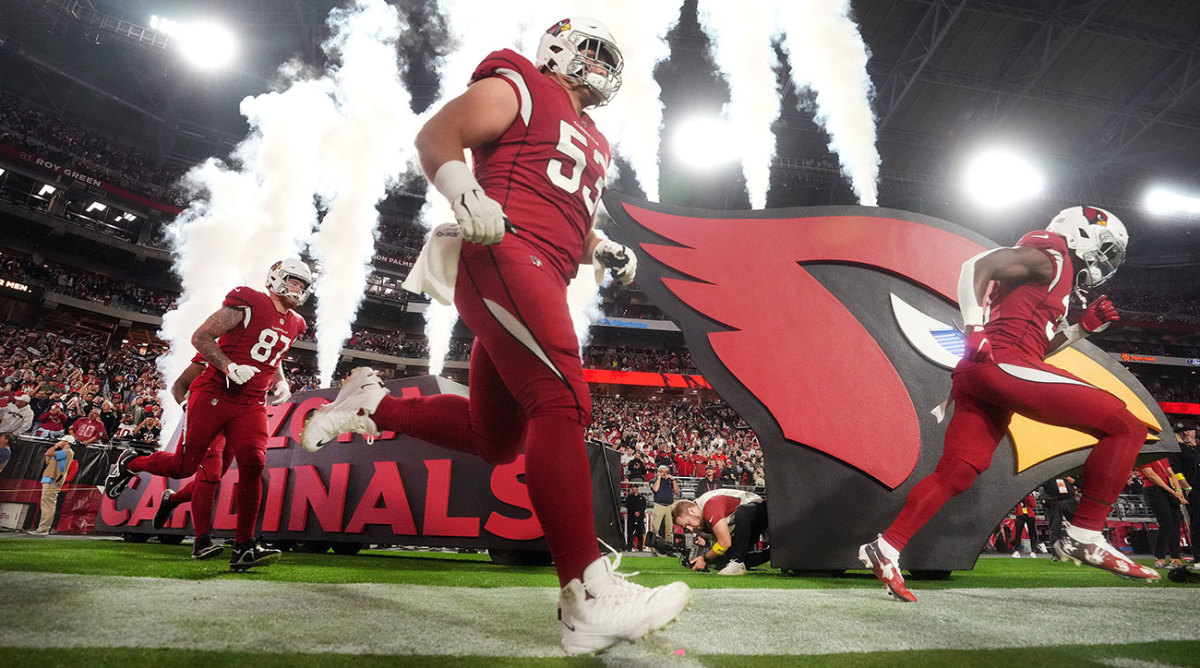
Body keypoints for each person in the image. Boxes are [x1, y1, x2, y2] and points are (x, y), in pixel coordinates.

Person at [298, 17, 690, 654]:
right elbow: (438, 135)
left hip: (541, 269)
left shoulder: (593, 137)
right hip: (507, 255)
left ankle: (371, 403)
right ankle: (586, 593)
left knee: (495, 437)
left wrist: (602, 246)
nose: (601, 64)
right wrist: (465, 192)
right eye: (591, 49)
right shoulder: (524, 83)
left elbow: (563, 207)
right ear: (558, 47)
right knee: (562, 403)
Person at [859, 206, 1159, 602]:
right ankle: (1084, 534)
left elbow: (1034, 350)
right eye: (1104, 250)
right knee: (1126, 426)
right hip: (998, 365)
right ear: (1082, 234)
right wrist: (973, 326)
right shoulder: (1051, 255)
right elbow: (975, 265)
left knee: (957, 474)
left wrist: (1081, 329)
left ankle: (887, 547)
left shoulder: (1053, 273)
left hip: (988, 372)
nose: (1104, 262)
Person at [105, 259, 311, 569]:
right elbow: (201, 336)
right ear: (276, 278)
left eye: (302, 285)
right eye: (293, 282)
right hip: (215, 394)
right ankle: (130, 463)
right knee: (184, 467)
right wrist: (228, 366)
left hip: (251, 402)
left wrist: (280, 381)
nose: (298, 289)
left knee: (254, 464)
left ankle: (244, 546)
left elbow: (276, 354)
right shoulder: (250, 302)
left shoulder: (296, 322)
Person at [671, 488, 769, 575]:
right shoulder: (699, 520)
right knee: (723, 563)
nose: (691, 529)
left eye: (688, 523)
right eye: (686, 527)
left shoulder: (710, 506)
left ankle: (737, 562)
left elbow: (724, 543)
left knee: (742, 512)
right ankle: (771, 554)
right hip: (742, 527)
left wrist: (704, 558)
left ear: (692, 511)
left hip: (759, 510)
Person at [1137, 457, 1187, 569]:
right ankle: (1160, 558)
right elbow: (1152, 476)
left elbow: (1171, 473)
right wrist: (1172, 491)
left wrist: (1178, 490)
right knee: (1166, 524)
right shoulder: (1142, 457)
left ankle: (1175, 558)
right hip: (1153, 490)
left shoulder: (1162, 457)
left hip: (1168, 490)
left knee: (1175, 523)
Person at [31, 435, 75, 534]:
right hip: (49, 479)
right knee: (46, 504)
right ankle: (43, 527)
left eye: (62, 441)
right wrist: (51, 452)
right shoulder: (61, 453)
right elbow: (48, 460)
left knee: (48, 505)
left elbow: (49, 452)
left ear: (66, 442)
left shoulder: (67, 452)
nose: (60, 442)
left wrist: (55, 446)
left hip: (53, 480)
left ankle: (44, 528)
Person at [1173, 423, 1199, 559]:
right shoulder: (1178, 450)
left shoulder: (1195, 449)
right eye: (1182, 431)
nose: (1186, 433)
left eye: (1188, 429)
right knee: (1194, 523)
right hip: (1191, 490)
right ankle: (1198, 555)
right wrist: (1187, 488)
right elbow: (1176, 472)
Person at [1039, 475, 1078, 557]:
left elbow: (1080, 483)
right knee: (1055, 528)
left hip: (1069, 500)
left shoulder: (1067, 474)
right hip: (1054, 501)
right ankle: (1056, 553)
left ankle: (1080, 550)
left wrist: (1073, 481)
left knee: (1078, 526)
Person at [624, 482, 647, 552]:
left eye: (634, 487)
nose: (633, 489)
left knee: (640, 533)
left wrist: (639, 513)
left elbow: (643, 506)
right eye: (632, 487)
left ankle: (640, 547)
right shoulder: (629, 498)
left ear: (637, 488)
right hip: (631, 518)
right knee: (630, 533)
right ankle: (629, 547)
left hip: (639, 518)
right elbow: (628, 506)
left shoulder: (642, 498)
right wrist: (634, 512)